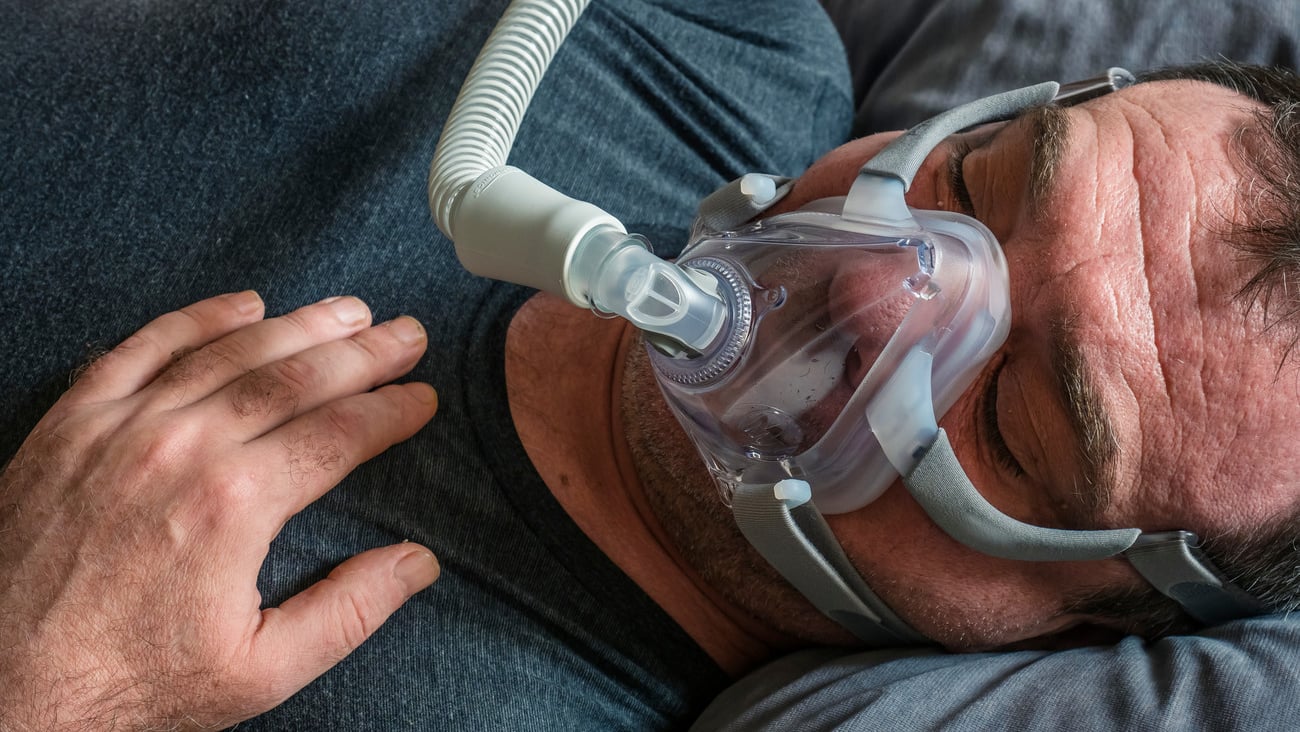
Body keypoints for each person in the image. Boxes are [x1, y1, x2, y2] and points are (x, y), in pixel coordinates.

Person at [2, 1, 1299, 731]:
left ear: (1100, 612)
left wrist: (57, 696)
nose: (865, 281)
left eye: (1012, 416)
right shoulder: (723, 37)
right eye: (982, 177)